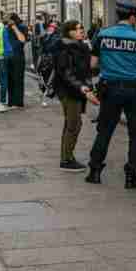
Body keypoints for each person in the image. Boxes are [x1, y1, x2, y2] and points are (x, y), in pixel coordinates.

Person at [85, 0, 136, 189]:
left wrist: (110, 65)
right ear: (133, 17)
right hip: (135, 90)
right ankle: (131, 176)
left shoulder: (103, 34)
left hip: (110, 89)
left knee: (105, 131)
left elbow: (92, 64)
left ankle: (94, 171)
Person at [52, 20, 96, 172]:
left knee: (73, 123)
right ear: (69, 31)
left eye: (82, 28)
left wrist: (89, 85)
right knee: (73, 124)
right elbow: (65, 73)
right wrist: (82, 87)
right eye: (77, 29)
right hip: (69, 91)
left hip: (77, 90)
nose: (81, 31)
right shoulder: (64, 48)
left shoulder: (81, 46)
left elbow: (86, 70)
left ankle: (67, 157)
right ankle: (66, 160)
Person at [5, 13, 29, 109]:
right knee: (9, 80)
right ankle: (11, 101)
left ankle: (18, 102)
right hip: (8, 57)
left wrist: (15, 28)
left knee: (18, 79)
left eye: (9, 20)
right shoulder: (7, 28)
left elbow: (23, 40)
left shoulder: (22, 27)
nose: (8, 22)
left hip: (18, 57)